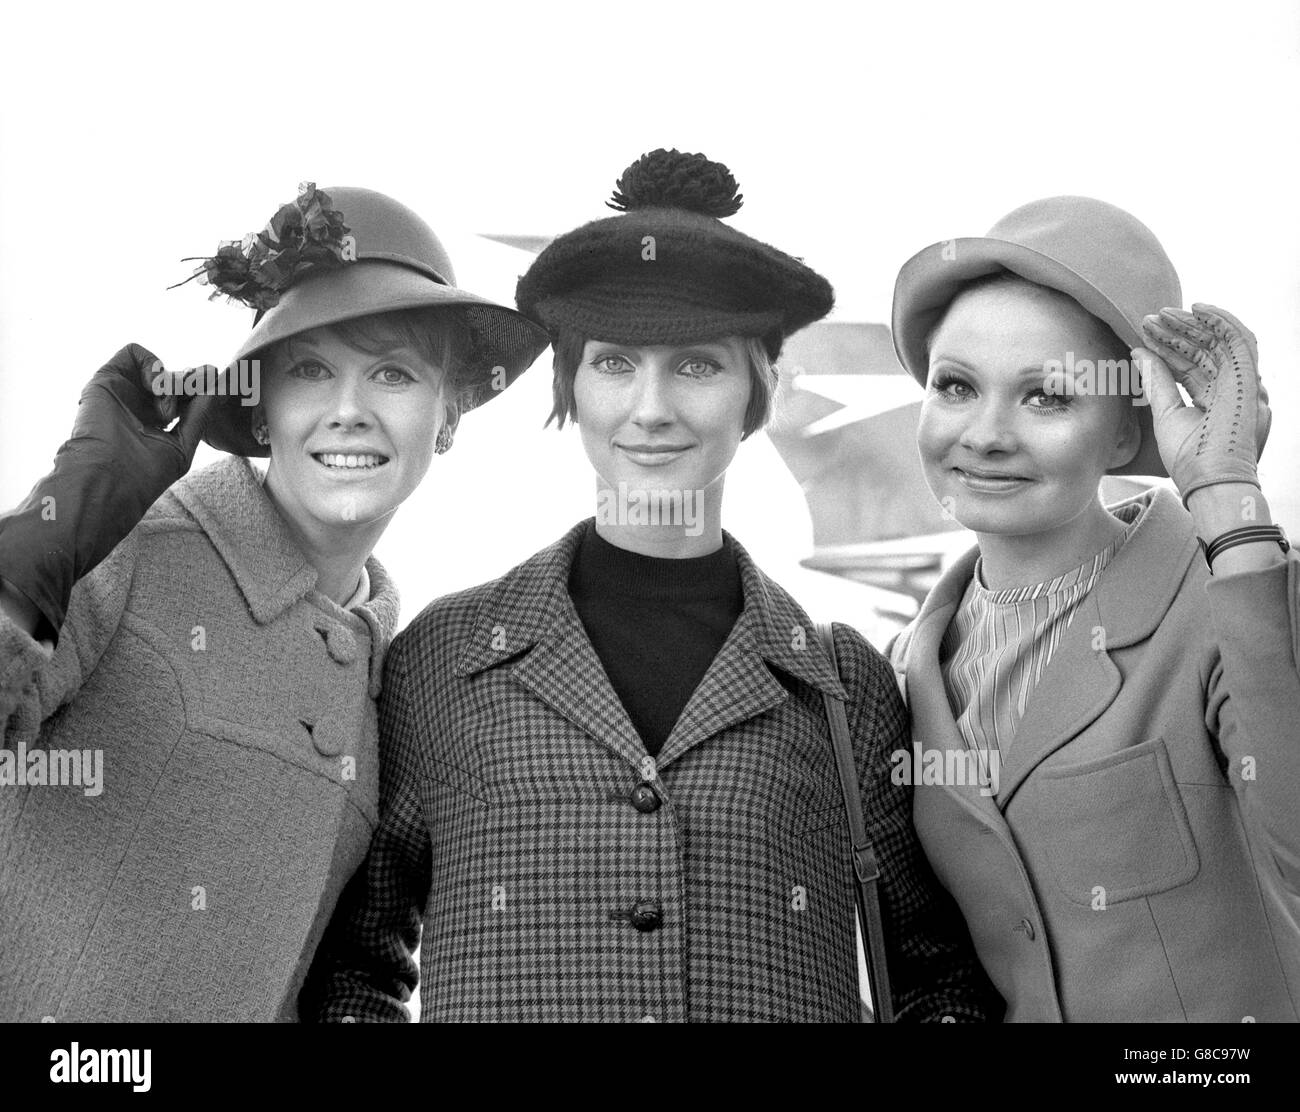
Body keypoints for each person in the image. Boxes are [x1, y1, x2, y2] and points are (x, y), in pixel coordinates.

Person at [303, 150, 1000, 1022]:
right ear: (568, 386)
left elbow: (940, 980)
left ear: (764, 387)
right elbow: (354, 971)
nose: (651, 408)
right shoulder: (438, 662)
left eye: (698, 365)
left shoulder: (844, 688)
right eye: (615, 363)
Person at [0, 182, 548, 1021]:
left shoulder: (385, 677)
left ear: (451, 416)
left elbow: (346, 980)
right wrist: (49, 532)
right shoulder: (131, 555)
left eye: (393, 374)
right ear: (262, 409)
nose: (349, 411)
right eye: (312, 371)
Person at [887, 195, 1300, 1021]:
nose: (987, 434)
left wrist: (1228, 500)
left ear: (1124, 433)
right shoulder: (903, 670)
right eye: (957, 386)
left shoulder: (1232, 593)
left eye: (1047, 397)